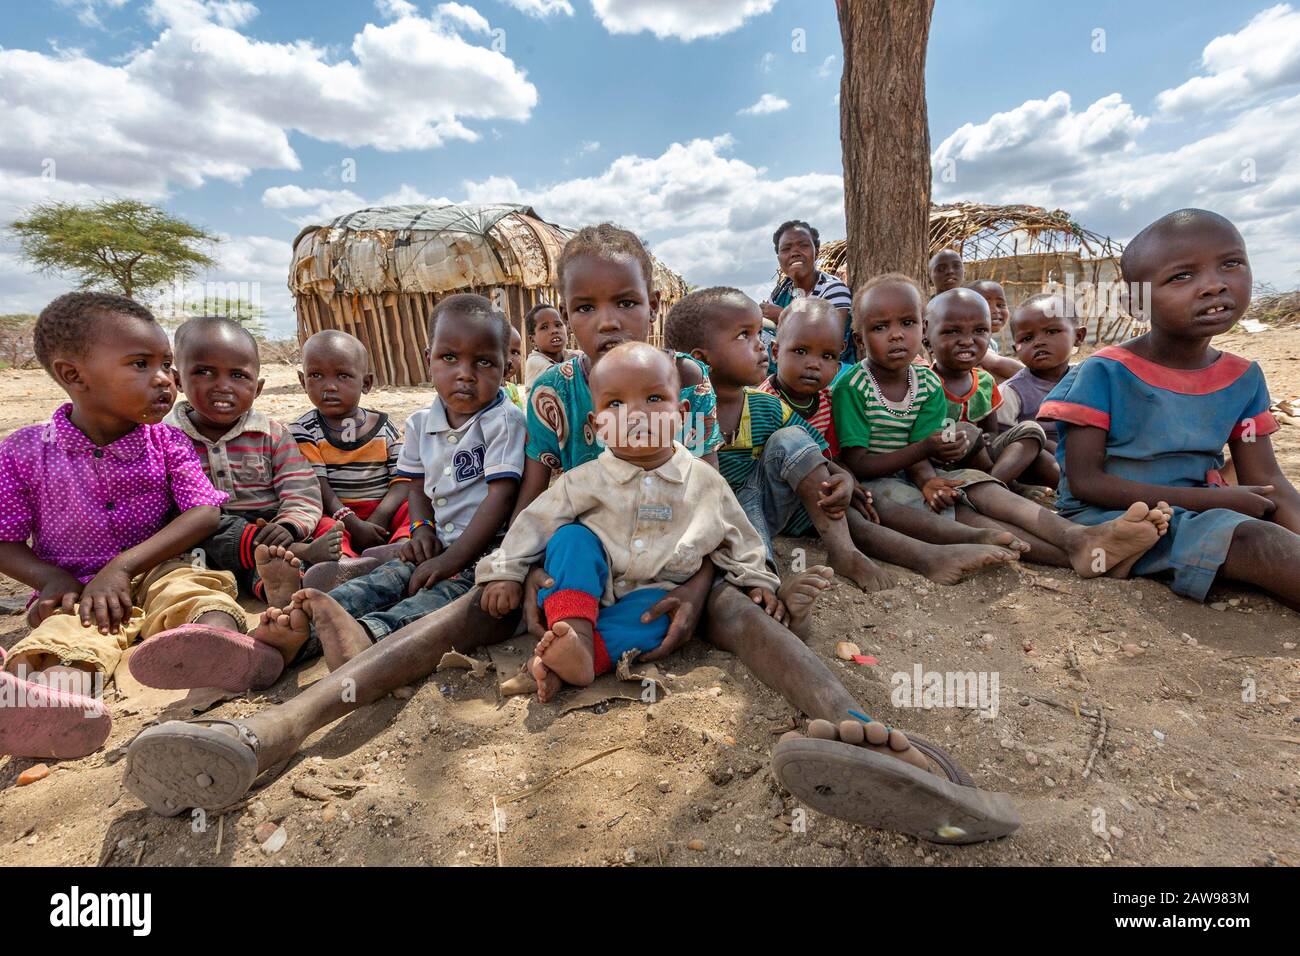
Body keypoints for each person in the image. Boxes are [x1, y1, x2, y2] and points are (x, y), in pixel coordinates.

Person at [124, 224, 1023, 845]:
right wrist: (514, 579)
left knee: (752, 620)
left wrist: (706, 587)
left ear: (650, 304)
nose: (606, 322)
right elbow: (545, 499)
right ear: (561, 314)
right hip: (573, 575)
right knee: (464, 611)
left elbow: (710, 502)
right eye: (584, 307)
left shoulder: (689, 384)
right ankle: (273, 734)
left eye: (624, 304)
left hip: (672, 570)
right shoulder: (555, 394)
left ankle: (869, 738)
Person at [0, 294, 279, 759]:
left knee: (196, 590)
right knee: (72, 634)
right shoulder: (23, 452)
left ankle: (219, 657)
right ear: (74, 375)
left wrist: (123, 566)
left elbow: (204, 512)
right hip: (81, 587)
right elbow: (4, 539)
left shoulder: (167, 441)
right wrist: (50, 578)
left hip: (162, 565)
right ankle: (56, 709)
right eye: (140, 364)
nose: (165, 381)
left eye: (167, 365)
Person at [479, 341, 778, 700]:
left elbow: (739, 536)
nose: (635, 415)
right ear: (596, 423)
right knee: (570, 539)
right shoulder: (583, 480)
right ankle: (574, 633)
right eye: (615, 404)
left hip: (656, 591)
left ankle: (580, 659)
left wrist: (757, 579)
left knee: (655, 620)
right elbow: (533, 524)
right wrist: (505, 571)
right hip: (592, 585)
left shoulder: (705, 483)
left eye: (653, 399)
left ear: (682, 413)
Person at [253, 295, 527, 672]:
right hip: (436, 544)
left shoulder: (505, 422)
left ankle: (367, 637)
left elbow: (501, 495)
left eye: (484, 362)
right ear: (428, 357)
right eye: (449, 358)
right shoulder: (418, 423)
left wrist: (453, 558)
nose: (465, 373)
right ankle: (299, 627)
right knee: (386, 579)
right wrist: (421, 528)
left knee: (436, 599)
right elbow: (416, 486)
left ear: (507, 368)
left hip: (484, 554)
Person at [1042, 208, 1300, 607]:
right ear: (1136, 303)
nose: (1214, 286)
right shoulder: (1104, 374)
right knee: (1260, 541)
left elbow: (1268, 481)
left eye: (1231, 263)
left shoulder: (1243, 377)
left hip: (1206, 514)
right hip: (1118, 520)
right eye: (1182, 276)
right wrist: (1217, 501)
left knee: (1270, 532)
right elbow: (1086, 484)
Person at [835, 276, 1173, 577]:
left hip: (923, 469)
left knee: (985, 488)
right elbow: (858, 462)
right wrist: (926, 464)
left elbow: (923, 442)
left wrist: (929, 479)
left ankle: (1078, 537)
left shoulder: (924, 380)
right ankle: (1085, 558)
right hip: (876, 482)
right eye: (880, 327)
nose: (896, 335)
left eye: (907, 323)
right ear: (861, 340)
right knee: (960, 514)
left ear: (921, 329)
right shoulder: (853, 387)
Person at [763, 295, 1025, 585]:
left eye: (827, 357)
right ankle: (925, 557)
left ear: (839, 361)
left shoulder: (826, 399)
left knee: (873, 506)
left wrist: (849, 481)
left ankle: (972, 537)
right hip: (783, 503)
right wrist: (847, 478)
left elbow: (831, 455)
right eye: (800, 351)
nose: (813, 365)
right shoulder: (764, 402)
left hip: (825, 499)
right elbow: (781, 462)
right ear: (775, 352)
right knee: (856, 519)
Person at [664, 286, 892, 618]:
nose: (761, 345)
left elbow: (816, 452)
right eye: (745, 335)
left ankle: (844, 551)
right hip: (717, 523)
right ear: (702, 360)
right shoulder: (682, 416)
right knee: (730, 500)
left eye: (759, 332)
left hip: (764, 505)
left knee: (790, 437)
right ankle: (768, 583)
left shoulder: (766, 406)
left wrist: (842, 477)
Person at [165, 317, 338, 603]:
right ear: (178, 380)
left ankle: (282, 585)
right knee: (193, 557)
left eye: (238, 376)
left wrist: (288, 526)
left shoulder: (271, 435)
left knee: (283, 555)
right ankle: (294, 559)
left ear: (257, 388)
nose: (223, 386)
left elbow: (301, 489)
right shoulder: (166, 438)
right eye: (205, 372)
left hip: (270, 532)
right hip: (203, 538)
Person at [291, 330, 409, 569]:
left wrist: (380, 517)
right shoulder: (303, 430)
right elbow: (318, 486)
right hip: (336, 513)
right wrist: (352, 523)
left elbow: (403, 478)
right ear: (303, 382)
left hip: (382, 511)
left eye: (343, 376)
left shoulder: (384, 426)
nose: (330, 386)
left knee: (414, 507)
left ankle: (401, 548)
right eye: (316, 375)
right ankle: (345, 564)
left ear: (366, 383)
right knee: (320, 524)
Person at [927, 288, 1057, 489]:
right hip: (943, 462)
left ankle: (996, 483)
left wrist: (989, 439)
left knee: (1031, 430)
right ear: (926, 338)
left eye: (979, 331)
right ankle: (1001, 488)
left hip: (985, 460)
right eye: (952, 331)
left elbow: (992, 431)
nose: (967, 341)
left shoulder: (985, 382)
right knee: (965, 431)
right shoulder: (924, 384)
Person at [996, 292, 1087, 454]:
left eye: (1051, 332)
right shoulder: (1011, 392)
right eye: (1027, 338)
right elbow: (1004, 440)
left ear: (1078, 336)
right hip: (1039, 460)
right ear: (1015, 350)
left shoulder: (1088, 378)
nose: (1038, 342)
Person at [760, 220, 855, 366]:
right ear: (779, 258)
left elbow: (832, 339)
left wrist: (782, 316)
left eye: (803, 245)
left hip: (826, 378)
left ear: (816, 252)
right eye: (786, 248)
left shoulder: (832, 289)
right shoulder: (781, 292)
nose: (794, 253)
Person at [966, 279, 1024, 381]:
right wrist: (1034, 375)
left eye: (1001, 305)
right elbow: (996, 364)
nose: (995, 310)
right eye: (986, 305)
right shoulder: (970, 340)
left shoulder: (992, 343)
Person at [523, 302, 573, 388]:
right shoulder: (534, 362)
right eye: (544, 327)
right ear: (532, 340)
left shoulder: (570, 355)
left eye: (558, 325)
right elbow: (560, 376)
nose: (554, 330)